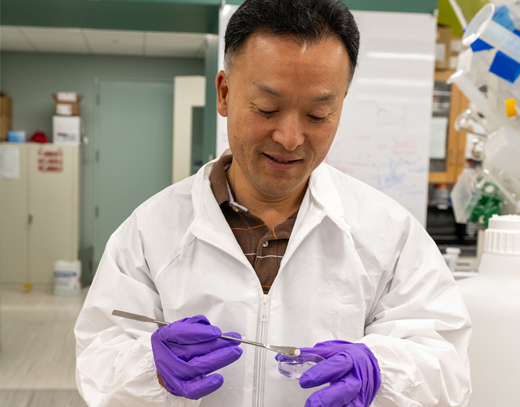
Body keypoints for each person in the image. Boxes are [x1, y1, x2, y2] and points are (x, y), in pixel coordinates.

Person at [74, 0, 472, 406]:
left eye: (318, 115)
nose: (290, 137)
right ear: (225, 93)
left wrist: (382, 371)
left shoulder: (390, 233)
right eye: (268, 108)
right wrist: (149, 367)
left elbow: (446, 367)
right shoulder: (151, 231)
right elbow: (98, 358)